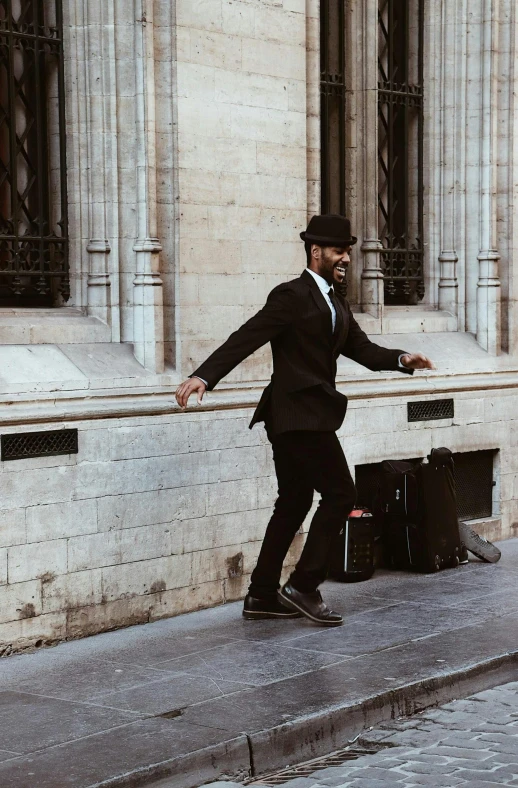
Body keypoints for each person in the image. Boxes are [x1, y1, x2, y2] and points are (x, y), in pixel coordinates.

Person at [175, 215, 435, 626]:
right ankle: (304, 585)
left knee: (294, 502)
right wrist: (204, 375)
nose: (346, 258)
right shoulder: (291, 296)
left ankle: (261, 595)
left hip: (306, 414)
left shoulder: (335, 301)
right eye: (338, 251)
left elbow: (362, 349)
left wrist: (401, 359)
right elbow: (249, 335)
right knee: (341, 494)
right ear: (316, 252)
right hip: (296, 415)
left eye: (348, 251)